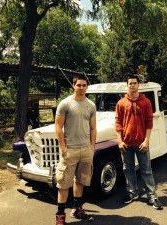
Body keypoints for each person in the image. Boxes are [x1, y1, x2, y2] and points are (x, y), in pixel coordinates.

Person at [115, 74, 163, 210]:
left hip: (142, 143)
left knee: (146, 170)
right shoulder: (121, 103)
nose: (132, 85)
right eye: (130, 83)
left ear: (138, 85)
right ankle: (132, 193)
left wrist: (147, 141)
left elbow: (149, 123)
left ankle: (152, 196)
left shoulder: (146, 102)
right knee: (128, 169)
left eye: (134, 83)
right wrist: (119, 141)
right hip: (126, 144)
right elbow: (118, 123)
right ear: (127, 85)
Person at [55, 74, 97, 225]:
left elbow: (93, 128)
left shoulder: (91, 105)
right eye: (78, 85)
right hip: (70, 150)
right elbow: (58, 127)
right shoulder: (65, 103)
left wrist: (92, 146)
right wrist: (63, 149)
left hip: (86, 150)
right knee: (63, 184)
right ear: (73, 86)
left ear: (87, 87)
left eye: (84, 85)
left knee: (80, 181)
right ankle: (60, 216)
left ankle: (77, 209)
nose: (81, 88)